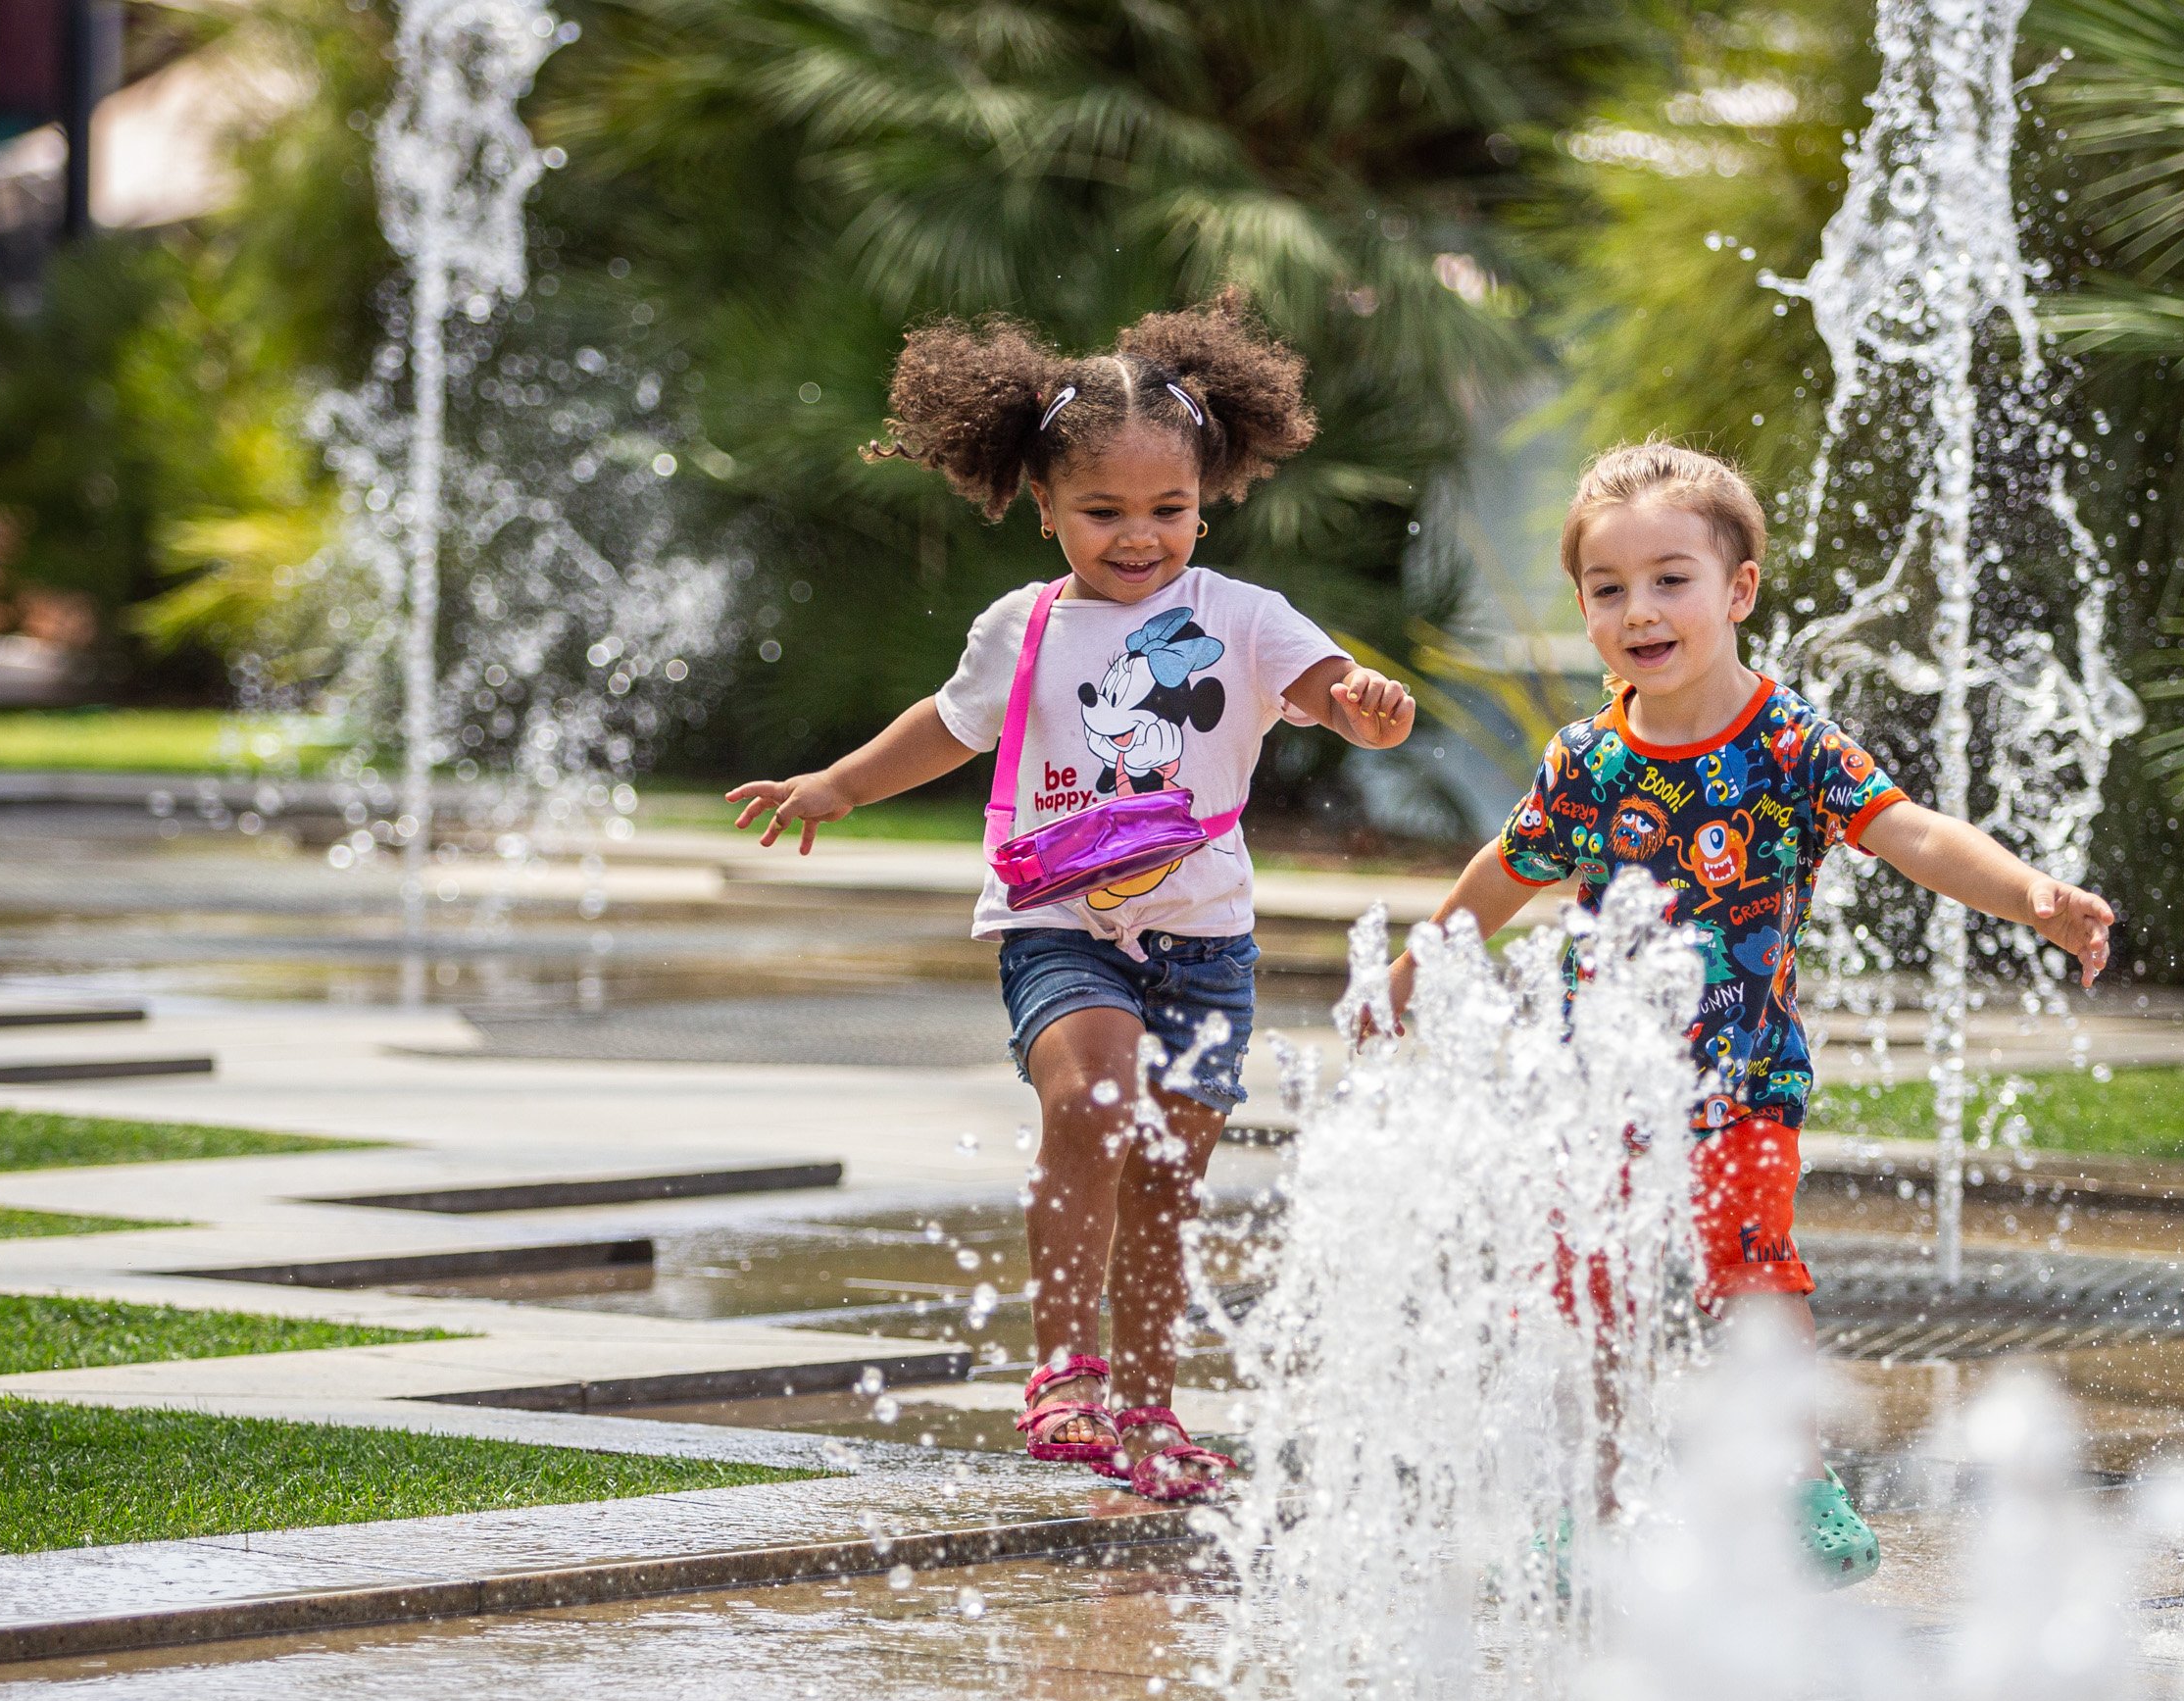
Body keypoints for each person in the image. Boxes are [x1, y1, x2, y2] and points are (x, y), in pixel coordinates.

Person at [1384, 441, 2113, 1581]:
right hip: (1605, 1088)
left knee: (1750, 1272)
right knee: (1596, 1288)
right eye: (1609, 588)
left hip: (1742, 1081)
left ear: (1738, 589)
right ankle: (1600, 1497)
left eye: (1671, 578)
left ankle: (1793, 1472)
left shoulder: (1790, 744)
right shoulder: (1586, 758)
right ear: (1583, 605)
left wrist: (2033, 895)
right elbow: (1507, 865)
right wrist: (1424, 962)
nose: (1640, 609)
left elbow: (1911, 830)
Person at [728, 296, 1416, 1502]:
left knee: (1166, 1173)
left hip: (1203, 941)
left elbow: (1321, 679)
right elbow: (947, 728)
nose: (1141, 537)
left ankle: (1150, 1405)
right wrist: (836, 784)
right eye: (1104, 512)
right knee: (1092, 1103)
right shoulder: (1024, 627)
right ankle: (1065, 1372)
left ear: (1209, 499)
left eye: (1171, 510)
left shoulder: (1241, 619)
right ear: (1044, 507)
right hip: (1059, 922)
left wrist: (1360, 696)